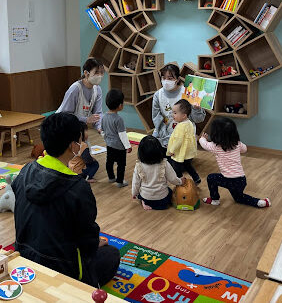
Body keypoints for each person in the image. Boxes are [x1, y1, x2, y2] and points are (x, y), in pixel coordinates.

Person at [12, 112, 120, 287]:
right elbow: (87, 236)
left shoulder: (26, 171)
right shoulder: (78, 187)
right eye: (80, 141)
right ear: (72, 145)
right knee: (112, 254)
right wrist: (95, 244)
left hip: (24, 259)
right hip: (62, 268)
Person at [199, 117, 271, 208]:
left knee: (211, 178)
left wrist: (202, 138)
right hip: (241, 180)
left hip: (228, 180)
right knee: (239, 198)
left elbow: (205, 145)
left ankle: (215, 200)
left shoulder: (216, 147)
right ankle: (260, 202)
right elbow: (245, 149)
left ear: (215, 135)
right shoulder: (237, 144)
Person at [152, 63, 206, 150]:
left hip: (184, 135)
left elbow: (198, 119)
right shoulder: (158, 95)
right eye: (163, 78)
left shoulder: (188, 93)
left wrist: (196, 109)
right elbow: (157, 119)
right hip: (164, 134)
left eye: (170, 78)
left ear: (177, 79)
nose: (166, 81)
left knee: (181, 157)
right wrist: (166, 139)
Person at [132, 135, 185, 210]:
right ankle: (151, 203)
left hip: (146, 197)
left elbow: (135, 183)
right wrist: (180, 181)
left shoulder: (138, 166)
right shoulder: (164, 163)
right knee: (170, 192)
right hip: (162, 199)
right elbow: (173, 179)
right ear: (159, 150)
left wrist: (134, 193)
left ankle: (144, 202)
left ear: (140, 152)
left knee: (141, 194)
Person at [57, 58, 104, 133]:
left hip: (78, 127)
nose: (100, 75)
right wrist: (86, 119)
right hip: (62, 127)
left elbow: (98, 113)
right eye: (96, 72)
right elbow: (65, 115)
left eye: (101, 72)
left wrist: (99, 127)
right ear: (86, 73)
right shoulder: (75, 89)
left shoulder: (98, 89)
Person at [101, 89, 132, 188]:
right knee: (121, 164)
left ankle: (111, 177)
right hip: (119, 147)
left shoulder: (104, 117)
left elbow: (102, 131)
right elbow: (122, 135)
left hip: (109, 145)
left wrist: (106, 139)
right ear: (120, 105)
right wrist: (128, 146)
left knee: (109, 162)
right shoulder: (119, 119)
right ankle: (120, 181)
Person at [167, 99, 201, 184]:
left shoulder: (181, 126)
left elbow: (178, 140)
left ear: (184, 116)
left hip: (180, 152)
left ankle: (181, 180)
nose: (173, 115)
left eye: (175, 113)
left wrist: (172, 150)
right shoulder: (189, 123)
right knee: (188, 165)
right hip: (188, 152)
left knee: (176, 166)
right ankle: (196, 178)